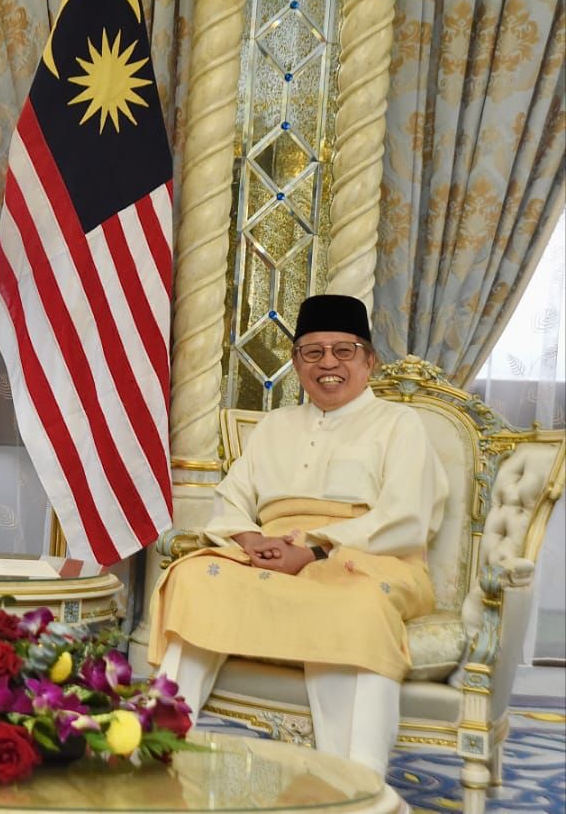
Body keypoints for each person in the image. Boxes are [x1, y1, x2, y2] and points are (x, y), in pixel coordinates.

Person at [148, 294, 448, 775]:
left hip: (365, 557)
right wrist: (252, 543)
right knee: (193, 579)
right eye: (313, 352)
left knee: (357, 604)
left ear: (369, 361)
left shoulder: (399, 424)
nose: (328, 363)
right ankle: (161, 744)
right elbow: (232, 500)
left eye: (344, 351)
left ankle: (355, 778)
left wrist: (313, 548)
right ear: (296, 361)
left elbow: (406, 516)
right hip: (271, 556)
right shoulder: (275, 426)